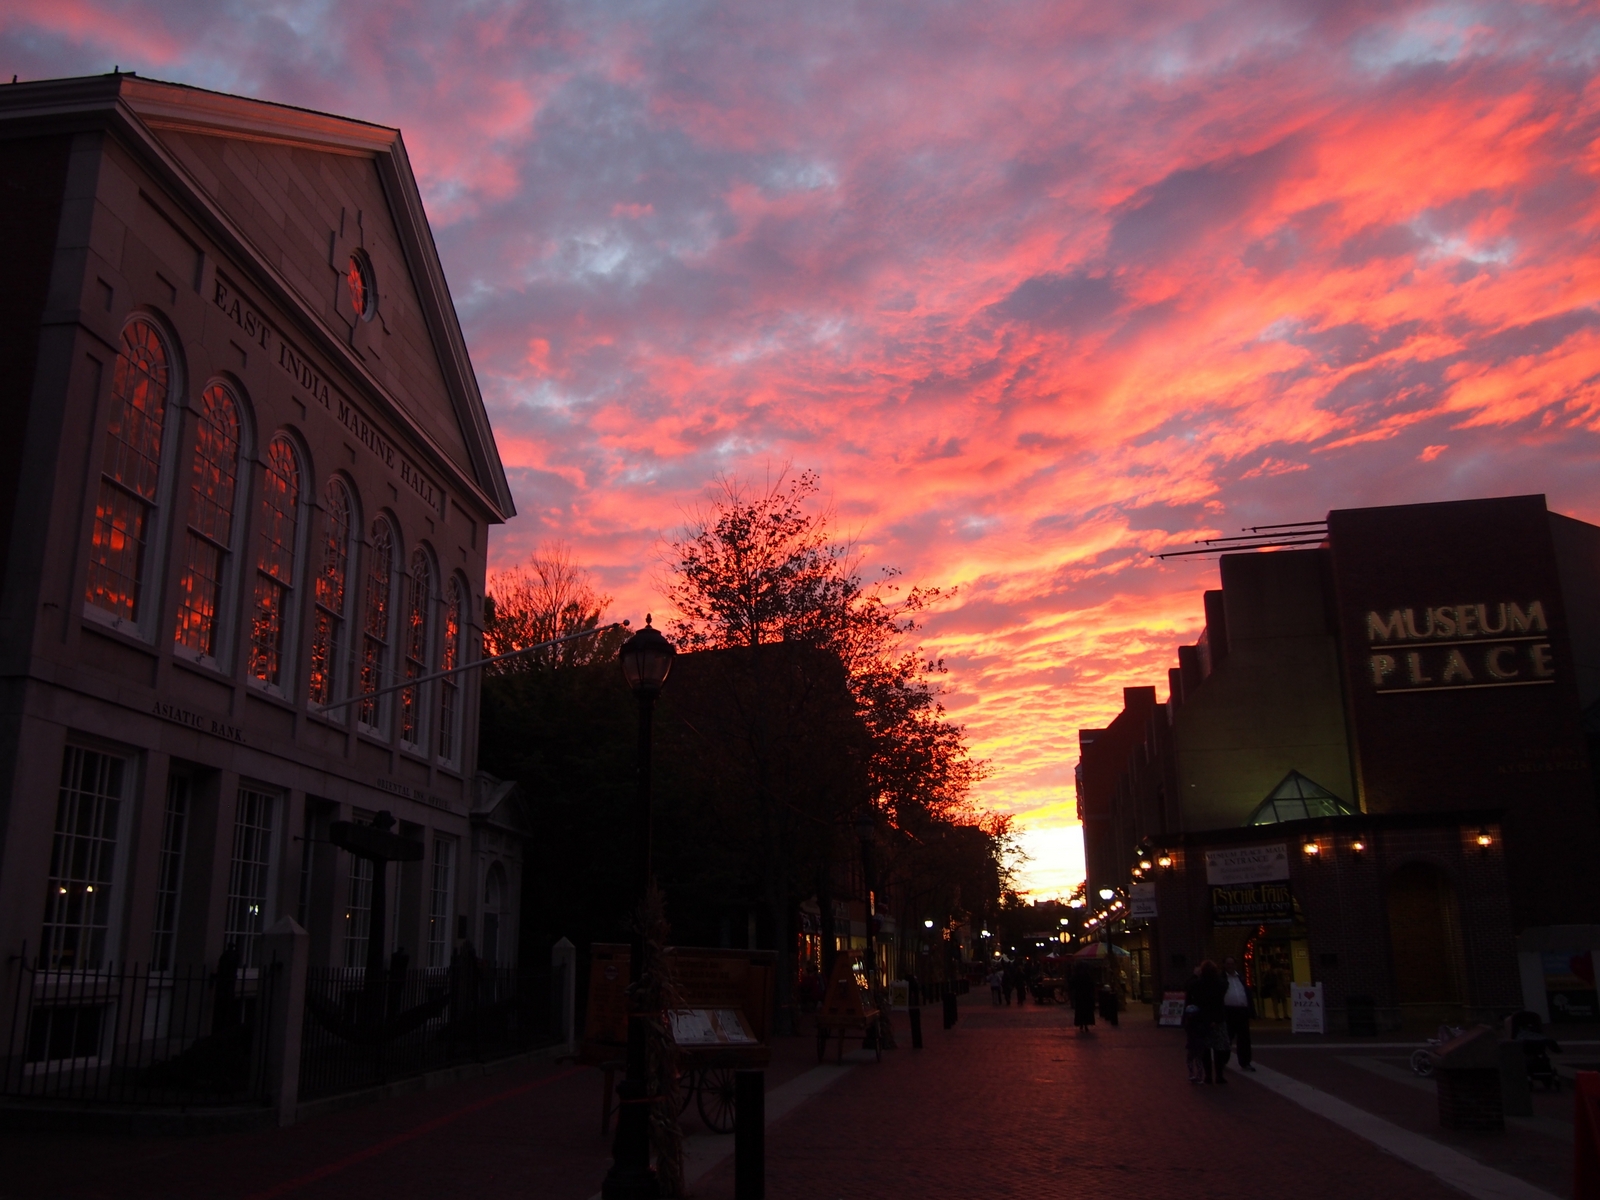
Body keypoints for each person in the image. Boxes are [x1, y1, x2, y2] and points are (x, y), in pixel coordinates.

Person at [1194, 959, 1229, 1084]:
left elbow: (1195, 998)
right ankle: (1219, 1075)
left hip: (1204, 1020)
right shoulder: (1221, 983)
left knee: (1206, 1050)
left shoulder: (1198, 984)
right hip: (1218, 1019)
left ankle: (1208, 1076)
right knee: (1219, 1049)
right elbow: (1224, 990)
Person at [1222, 957, 1254, 1071]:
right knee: (1227, 1037)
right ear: (1224, 965)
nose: (1230, 966)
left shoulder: (1241, 977)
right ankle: (1223, 1061)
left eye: (1232, 963)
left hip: (1242, 1011)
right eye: (1228, 963)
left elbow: (1247, 992)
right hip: (1228, 1011)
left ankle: (1245, 1062)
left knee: (1244, 1038)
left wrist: (1250, 1009)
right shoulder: (1222, 978)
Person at [1069, 961, 1097, 1034]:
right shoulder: (1087, 976)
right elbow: (1092, 986)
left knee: (1081, 1011)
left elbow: (1072, 985)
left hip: (1080, 996)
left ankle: (1082, 1024)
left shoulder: (1077, 976)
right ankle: (1085, 1024)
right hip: (1086, 996)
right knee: (1085, 1011)